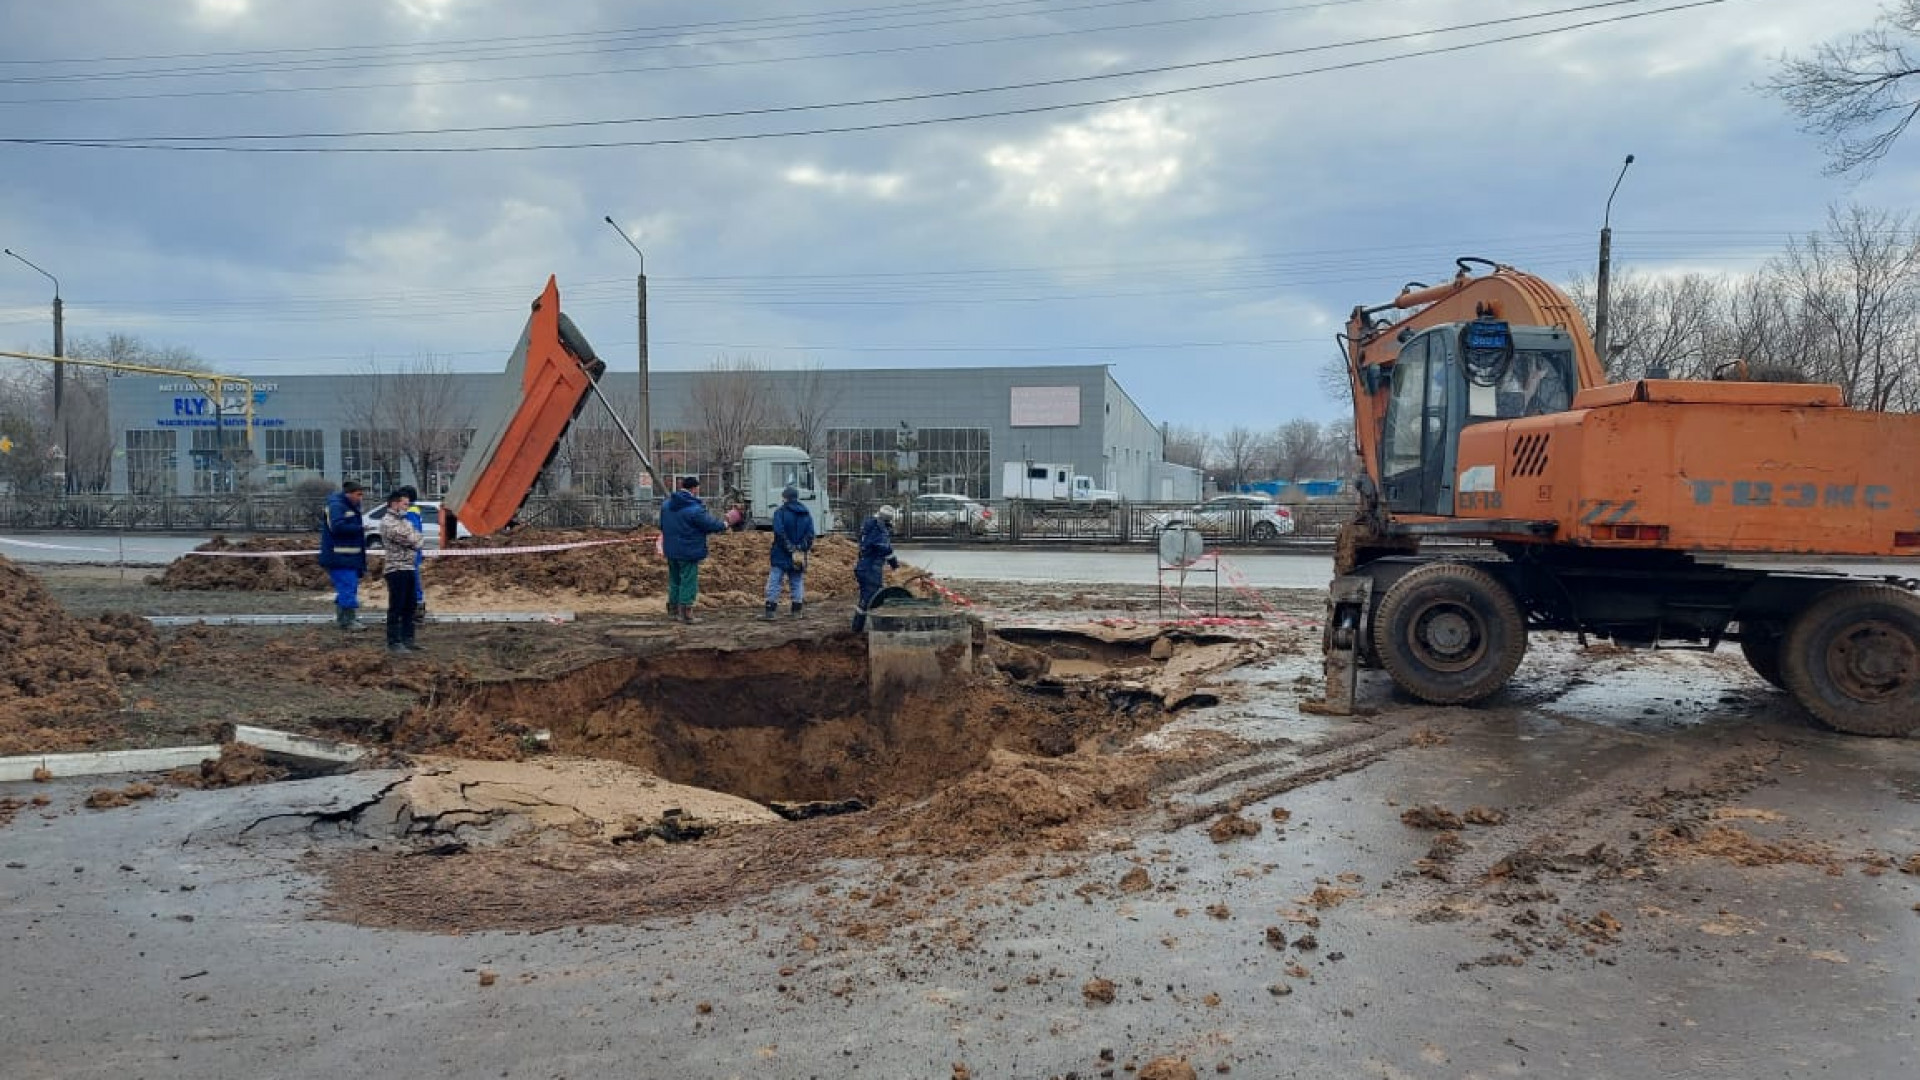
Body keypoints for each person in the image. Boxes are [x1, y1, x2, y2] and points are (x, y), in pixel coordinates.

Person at [660, 475, 729, 624]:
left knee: (675, 579)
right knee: (688, 581)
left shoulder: (666, 505)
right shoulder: (694, 509)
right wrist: (724, 524)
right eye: (698, 488)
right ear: (694, 488)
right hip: (688, 550)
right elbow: (710, 525)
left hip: (671, 549)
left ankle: (673, 609)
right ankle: (686, 613)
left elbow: (662, 526)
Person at [377, 489, 424, 654]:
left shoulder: (404, 521)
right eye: (404, 504)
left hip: (409, 567)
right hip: (396, 569)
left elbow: (419, 538)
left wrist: (415, 539)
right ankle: (393, 642)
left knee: (410, 606)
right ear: (394, 504)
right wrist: (414, 539)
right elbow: (412, 539)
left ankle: (408, 639)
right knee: (396, 606)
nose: (407, 506)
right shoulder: (388, 522)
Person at [317, 480, 367, 631]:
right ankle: (348, 621)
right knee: (347, 587)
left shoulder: (347, 505)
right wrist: (359, 528)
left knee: (348, 588)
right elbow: (337, 527)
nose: (361, 498)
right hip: (340, 556)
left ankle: (344, 618)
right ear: (349, 494)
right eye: (358, 494)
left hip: (347, 556)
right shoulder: (337, 506)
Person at [763, 485, 815, 620]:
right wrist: (800, 547)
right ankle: (797, 611)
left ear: (785, 498)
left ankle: (770, 610)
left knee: (775, 579)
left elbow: (779, 532)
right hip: (798, 554)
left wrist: (789, 547)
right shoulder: (806, 513)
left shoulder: (780, 512)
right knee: (797, 580)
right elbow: (810, 535)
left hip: (781, 552)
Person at [852, 504, 900, 633]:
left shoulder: (868, 524)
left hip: (862, 566)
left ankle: (858, 628)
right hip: (871, 569)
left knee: (865, 598)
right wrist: (895, 565)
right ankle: (859, 630)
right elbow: (885, 549)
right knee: (870, 599)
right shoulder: (880, 530)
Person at [398, 484, 427, 622]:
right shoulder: (412, 511)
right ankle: (415, 608)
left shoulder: (410, 513)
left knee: (411, 581)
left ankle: (415, 609)